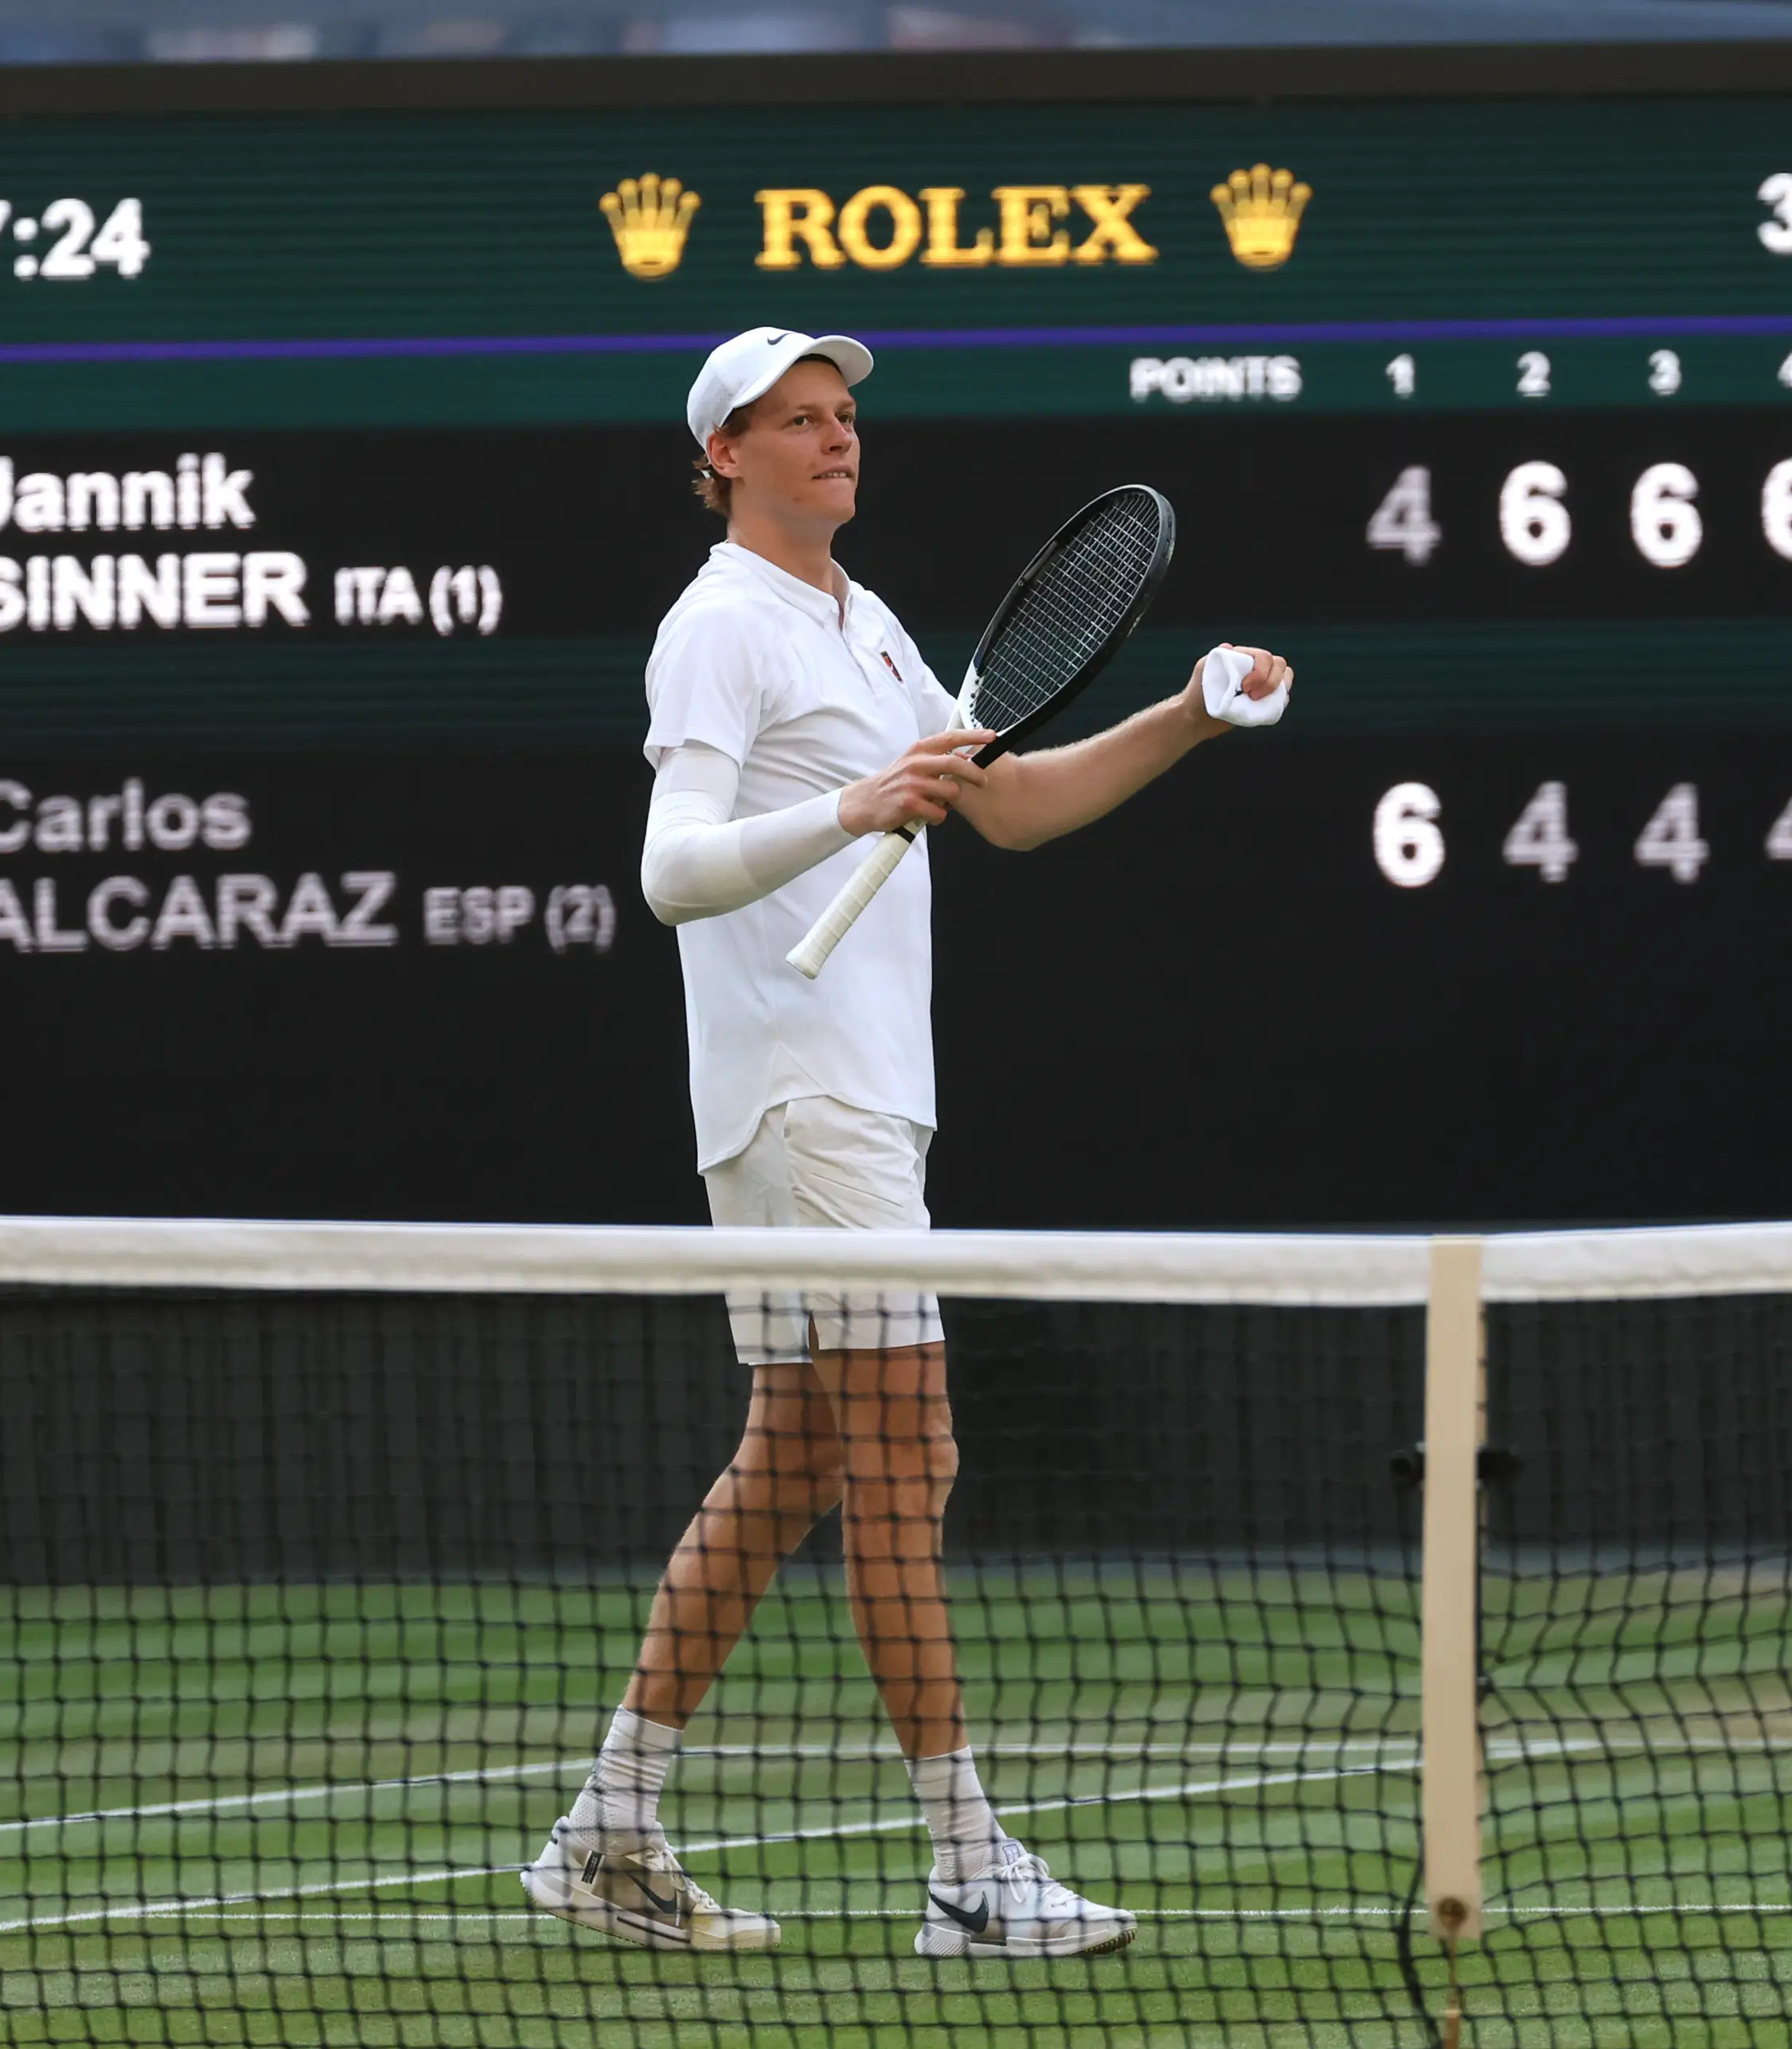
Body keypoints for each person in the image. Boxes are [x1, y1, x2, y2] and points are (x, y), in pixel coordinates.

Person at [524, 327, 1293, 1958]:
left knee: (799, 1459)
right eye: (799, 420)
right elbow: (669, 870)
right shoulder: (718, 625)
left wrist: (1189, 716)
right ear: (724, 454)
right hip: (806, 1096)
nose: (837, 437)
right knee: (904, 1453)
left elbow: (1006, 802)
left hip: (853, 1096)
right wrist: (852, 807)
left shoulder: (862, 622)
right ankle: (967, 1866)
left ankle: (606, 1826)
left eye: (846, 415)